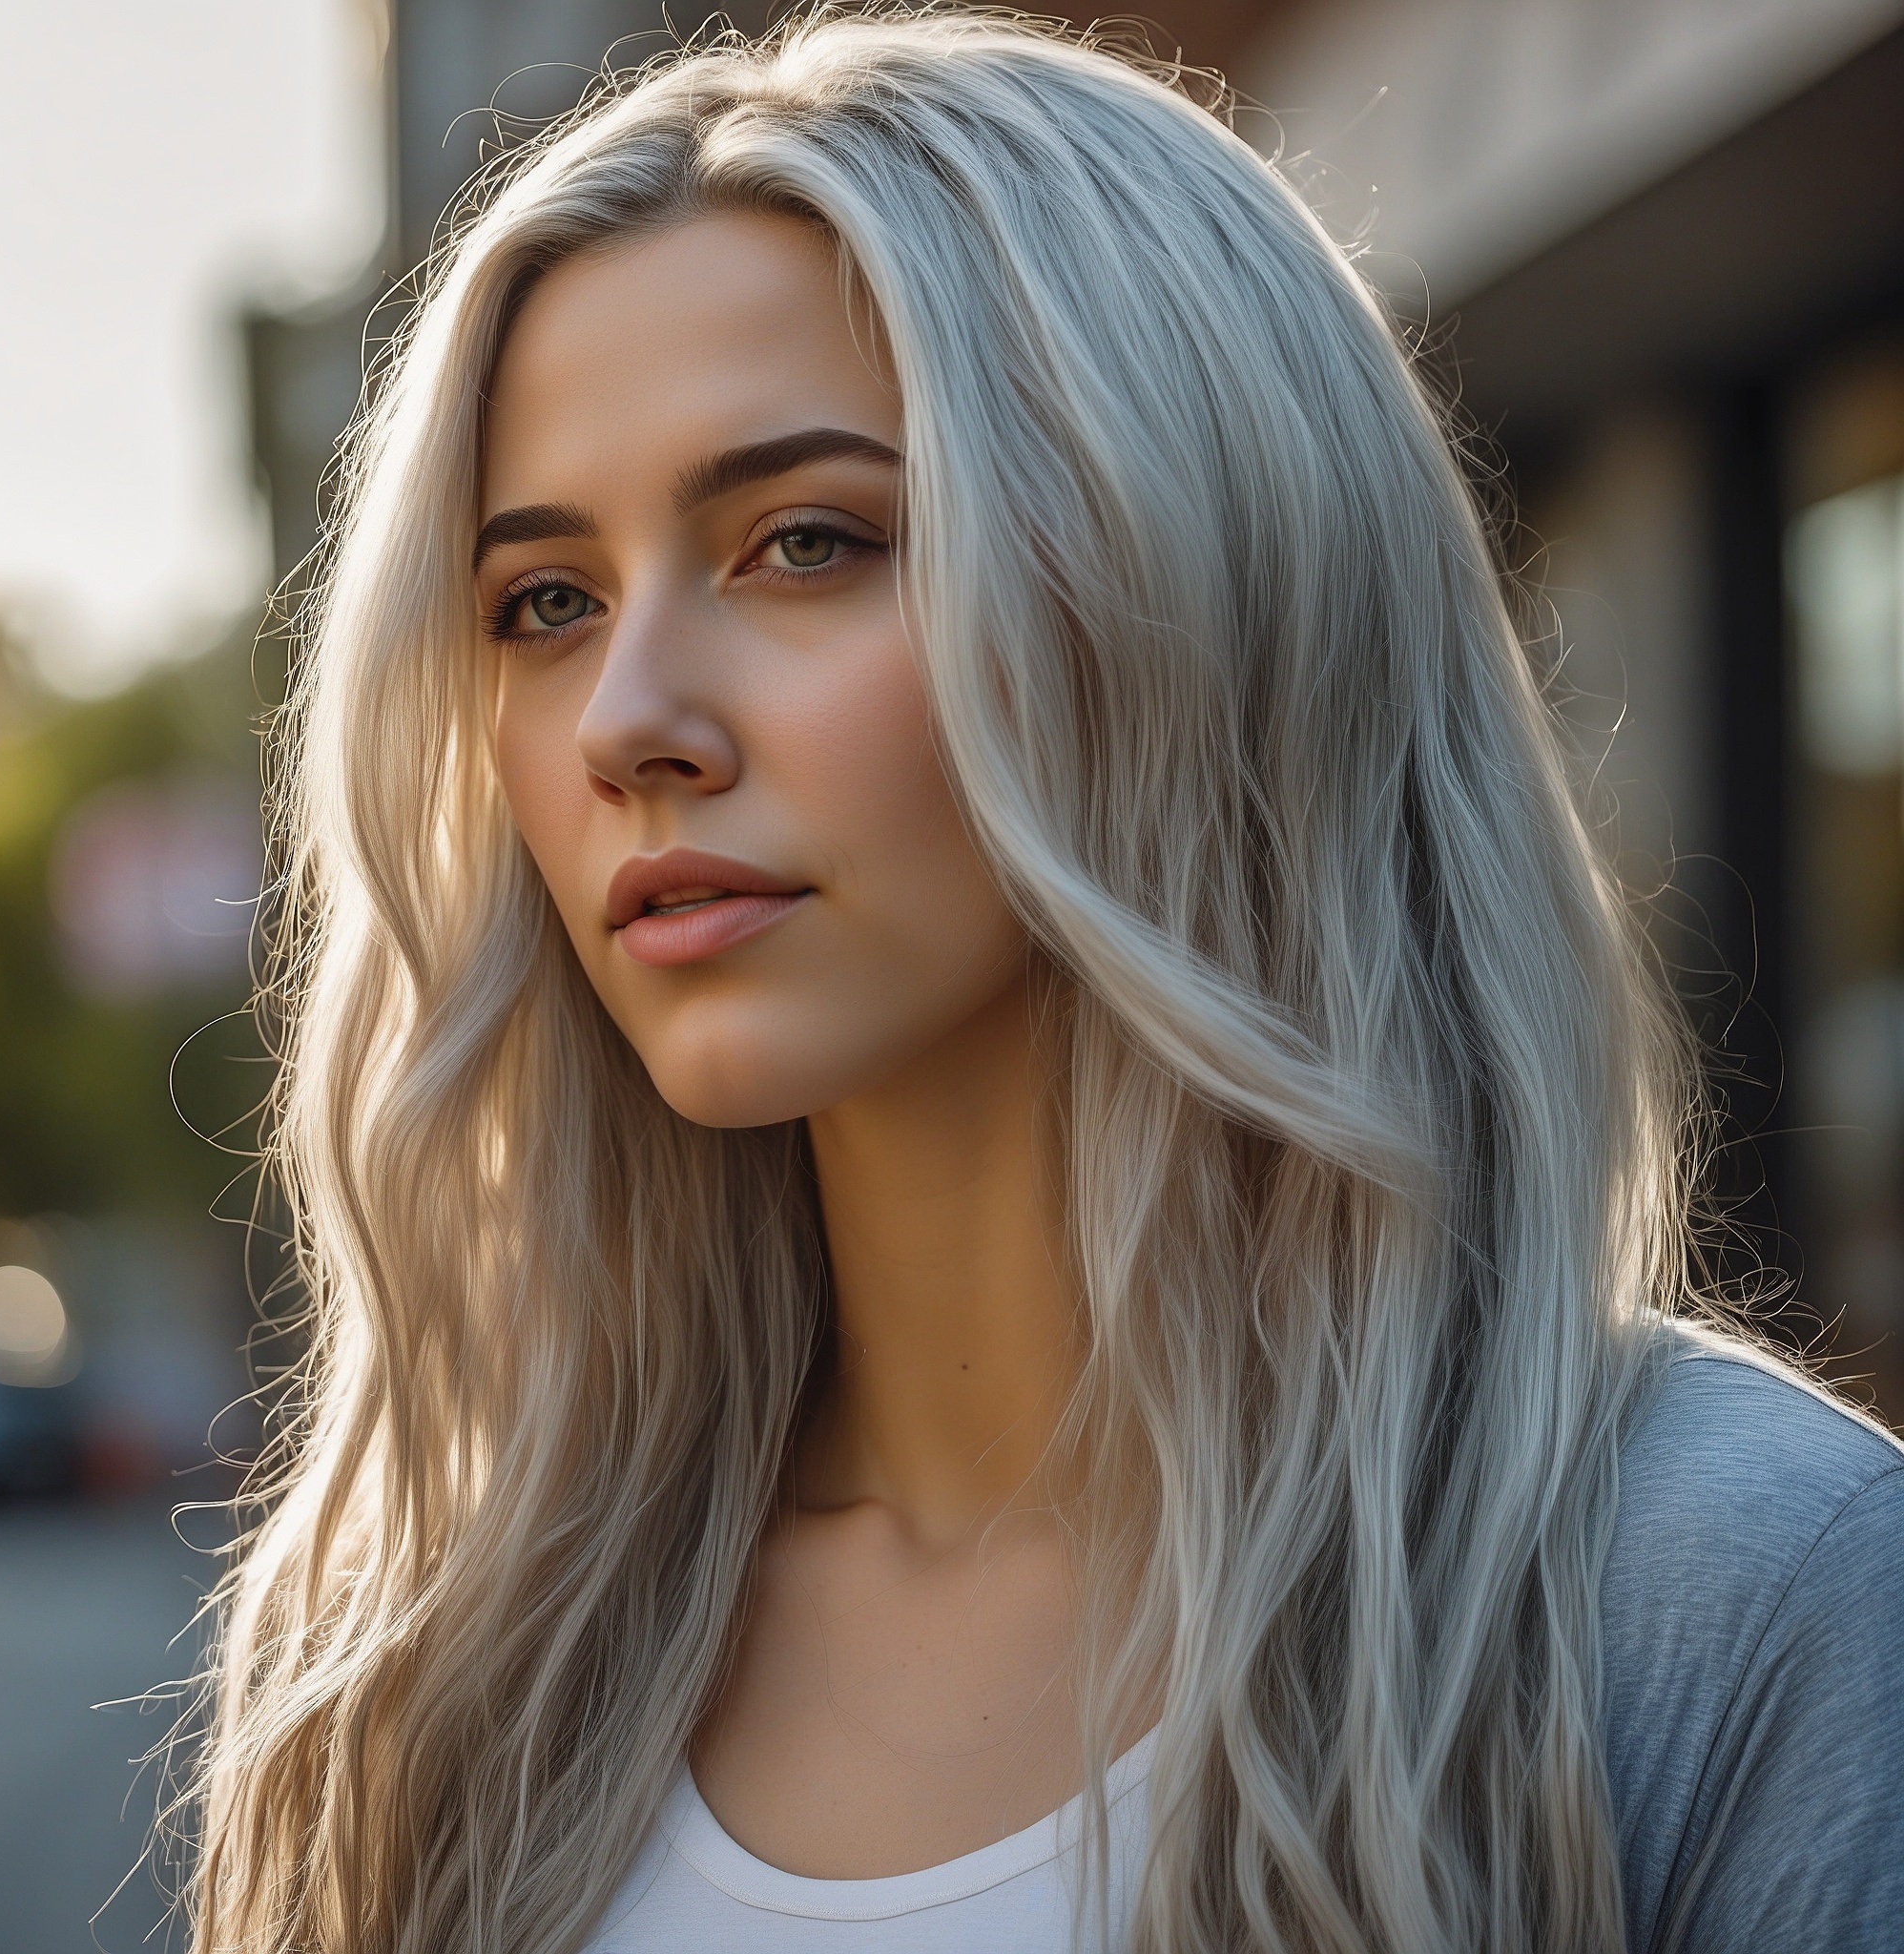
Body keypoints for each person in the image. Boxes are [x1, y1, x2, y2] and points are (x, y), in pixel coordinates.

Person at [178, 12, 1904, 1952]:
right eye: (545, 602)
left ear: (1207, 587)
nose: (627, 720)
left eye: (804, 541)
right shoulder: (438, 1653)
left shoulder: (1736, 1589)